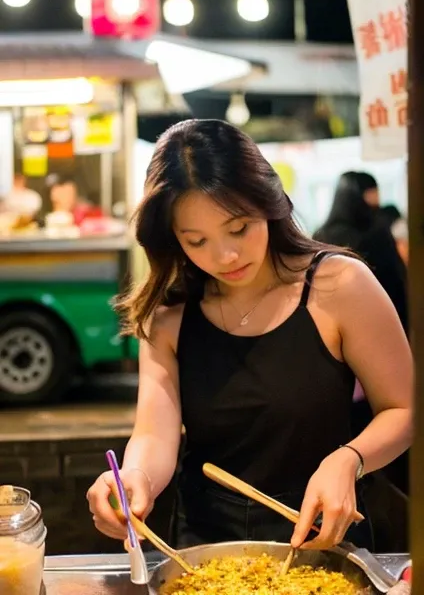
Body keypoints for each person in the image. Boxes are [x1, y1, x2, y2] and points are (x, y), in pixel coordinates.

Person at [87, 120, 412, 552]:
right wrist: (134, 480)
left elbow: (405, 408)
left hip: (322, 535)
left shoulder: (339, 285)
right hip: (203, 547)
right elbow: (154, 434)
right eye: (197, 241)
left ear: (269, 202)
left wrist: (349, 459)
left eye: (238, 228)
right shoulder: (170, 315)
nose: (225, 256)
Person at [314, 172, 408, 333]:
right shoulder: (376, 232)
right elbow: (395, 279)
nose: (377, 198)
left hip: (333, 325)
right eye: (372, 192)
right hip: (380, 321)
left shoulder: (321, 235)